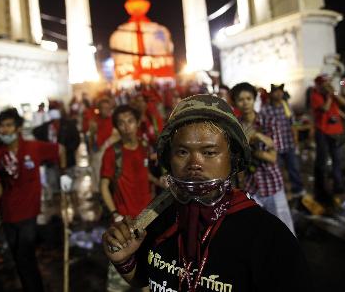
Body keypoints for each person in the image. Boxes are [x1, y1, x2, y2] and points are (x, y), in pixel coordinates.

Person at [102, 94, 311, 291]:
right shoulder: (158, 222)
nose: (194, 164)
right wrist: (125, 261)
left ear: (233, 159)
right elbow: (150, 279)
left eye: (209, 152)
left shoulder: (266, 236)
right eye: (182, 152)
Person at [0, 108, 71, 292]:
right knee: (17, 258)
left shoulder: (33, 147)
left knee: (25, 255)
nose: (5, 130)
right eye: (2, 126)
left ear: (18, 127)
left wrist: (64, 174)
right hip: (8, 213)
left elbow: (60, 150)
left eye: (9, 125)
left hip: (28, 211)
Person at [100, 104, 162, 292]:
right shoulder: (112, 152)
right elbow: (103, 186)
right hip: (125, 223)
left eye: (130, 121)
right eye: (121, 123)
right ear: (116, 127)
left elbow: (145, 175)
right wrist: (115, 214)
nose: (126, 126)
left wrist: (160, 183)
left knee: (148, 273)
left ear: (137, 124)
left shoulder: (144, 147)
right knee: (119, 277)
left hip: (148, 219)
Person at [232, 83, 295, 234]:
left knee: (284, 229)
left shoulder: (268, 121)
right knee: (259, 231)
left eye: (249, 98)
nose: (245, 102)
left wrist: (255, 141)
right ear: (235, 102)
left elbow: (273, 157)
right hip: (250, 186)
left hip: (271, 183)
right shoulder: (235, 127)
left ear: (254, 100)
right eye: (241, 100)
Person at [261, 84, 305, 198]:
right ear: (271, 94)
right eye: (276, 91)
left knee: (293, 168)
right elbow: (262, 127)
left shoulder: (286, 106)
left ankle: (298, 190)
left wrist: (296, 139)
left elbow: (293, 124)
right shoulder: (265, 109)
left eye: (280, 91)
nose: (279, 93)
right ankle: (281, 192)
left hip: (288, 142)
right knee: (277, 171)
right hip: (275, 146)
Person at [310, 74, 345, 205]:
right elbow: (325, 108)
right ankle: (321, 188)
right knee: (322, 160)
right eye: (324, 84)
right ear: (319, 85)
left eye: (328, 83)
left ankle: (339, 185)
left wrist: (334, 93)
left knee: (337, 159)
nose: (327, 86)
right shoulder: (315, 95)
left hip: (336, 131)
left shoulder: (332, 93)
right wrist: (329, 97)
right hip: (322, 131)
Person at [32, 107, 80, 199]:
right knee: (54, 189)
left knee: (70, 188)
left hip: (68, 162)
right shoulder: (45, 127)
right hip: (51, 163)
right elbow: (36, 133)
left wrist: (67, 151)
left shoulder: (69, 125)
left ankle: (73, 206)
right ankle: (57, 208)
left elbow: (76, 140)